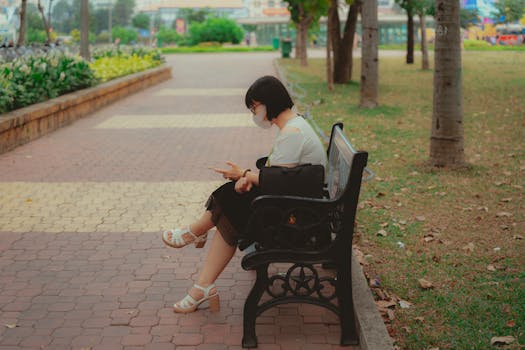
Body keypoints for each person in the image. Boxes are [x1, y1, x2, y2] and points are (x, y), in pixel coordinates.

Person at [161, 76, 327, 313]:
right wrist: (246, 179)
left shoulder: (293, 133)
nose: (254, 113)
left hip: (299, 219)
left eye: (254, 107)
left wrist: (246, 175)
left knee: (231, 205)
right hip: (298, 205)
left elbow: (280, 181)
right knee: (231, 202)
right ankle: (201, 275)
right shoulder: (293, 126)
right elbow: (282, 178)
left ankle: (195, 239)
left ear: (268, 103)